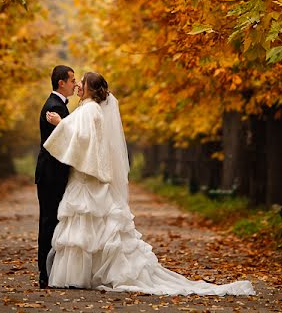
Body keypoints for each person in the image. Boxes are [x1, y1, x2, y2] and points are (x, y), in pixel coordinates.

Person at [42, 72, 255, 296]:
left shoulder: (90, 109)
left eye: (81, 83)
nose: (77, 86)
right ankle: (87, 273)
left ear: (90, 89)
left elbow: (85, 139)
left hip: (87, 179)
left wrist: (60, 124)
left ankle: (81, 274)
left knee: (86, 223)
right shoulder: (89, 108)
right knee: (90, 226)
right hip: (86, 176)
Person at [35, 65, 81, 289]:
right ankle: (45, 273)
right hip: (51, 175)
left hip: (53, 174)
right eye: (72, 80)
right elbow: (64, 143)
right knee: (48, 222)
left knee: (52, 220)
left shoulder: (58, 106)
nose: (75, 84)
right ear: (61, 82)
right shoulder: (54, 107)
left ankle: (49, 271)